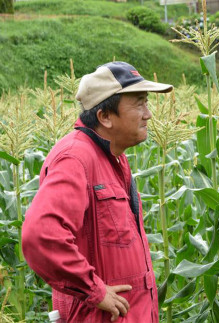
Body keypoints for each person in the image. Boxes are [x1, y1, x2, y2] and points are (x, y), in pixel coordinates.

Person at [22, 62, 173, 322]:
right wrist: (94, 290)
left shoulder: (113, 157)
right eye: (139, 104)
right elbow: (41, 235)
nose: (148, 114)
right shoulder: (75, 158)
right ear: (105, 116)